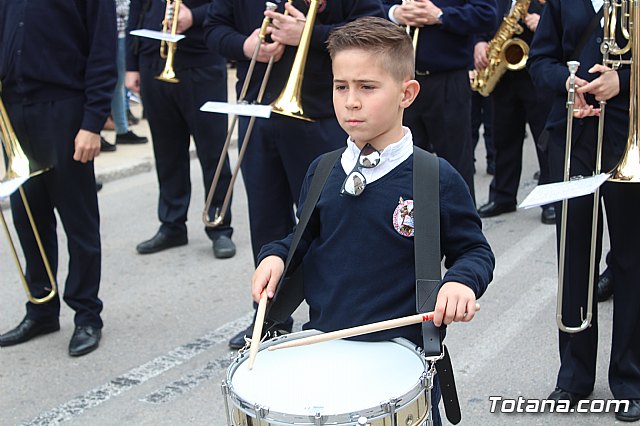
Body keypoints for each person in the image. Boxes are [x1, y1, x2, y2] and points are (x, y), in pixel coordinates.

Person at [252, 16, 494, 425]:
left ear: (407, 93)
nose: (351, 101)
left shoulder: (434, 178)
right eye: (340, 86)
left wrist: (460, 281)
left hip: (405, 363)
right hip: (329, 351)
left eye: (367, 87)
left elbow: (474, 250)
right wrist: (276, 256)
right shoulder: (324, 170)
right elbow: (303, 236)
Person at [205, 0, 386, 349]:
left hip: (319, 115)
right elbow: (214, 29)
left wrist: (309, 34)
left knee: (331, 222)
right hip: (258, 112)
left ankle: (339, 317)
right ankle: (269, 317)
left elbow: (373, 32)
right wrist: (245, 46)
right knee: (266, 220)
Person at [528, 0, 640, 421]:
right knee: (574, 254)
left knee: (631, 260)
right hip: (573, 135)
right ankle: (573, 376)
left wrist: (624, 80)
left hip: (629, 133)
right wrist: (569, 82)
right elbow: (540, 62)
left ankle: (631, 379)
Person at [0, 0, 117, 356]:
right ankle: (41, 307)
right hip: (15, 111)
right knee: (27, 217)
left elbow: (103, 50)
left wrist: (92, 122)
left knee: (78, 220)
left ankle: (86, 315)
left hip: (65, 109)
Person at [126, 0, 236, 259]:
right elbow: (136, 10)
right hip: (153, 60)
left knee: (213, 151)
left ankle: (220, 226)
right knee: (167, 153)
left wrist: (194, 16)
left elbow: (231, 5)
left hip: (201, 62)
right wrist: (131, 64)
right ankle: (172, 224)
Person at [382, 0, 498, 202]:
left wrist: (441, 15)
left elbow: (487, 15)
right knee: (400, 163)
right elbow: (368, 9)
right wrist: (394, 13)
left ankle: (461, 227)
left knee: (456, 164)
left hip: (447, 79)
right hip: (400, 79)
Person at [475, 0, 556, 225]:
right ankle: (503, 196)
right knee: (504, 137)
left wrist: (544, 23)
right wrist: (480, 42)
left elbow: (570, 22)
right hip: (505, 74)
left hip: (537, 73)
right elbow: (483, 14)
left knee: (545, 140)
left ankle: (550, 201)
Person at [109, 0, 148, 148]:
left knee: (119, 85)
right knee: (116, 84)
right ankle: (120, 129)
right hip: (114, 31)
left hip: (121, 31)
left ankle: (122, 128)